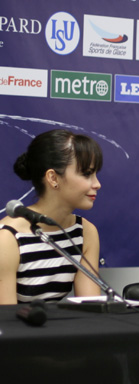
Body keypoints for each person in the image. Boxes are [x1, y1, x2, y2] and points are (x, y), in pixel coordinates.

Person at [0, 129, 103, 304]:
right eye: (86, 173)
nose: (97, 184)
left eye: (95, 174)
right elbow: (5, 318)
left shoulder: (85, 232)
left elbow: (92, 308)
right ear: (53, 178)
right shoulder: (7, 237)